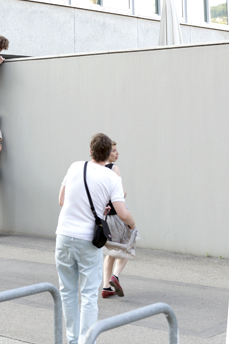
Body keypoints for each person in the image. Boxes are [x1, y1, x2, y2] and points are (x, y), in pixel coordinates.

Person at [55, 133, 136, 344]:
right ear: (108, 154)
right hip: (88, 241)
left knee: (68, 292)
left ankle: (72, 340)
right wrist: (132, 224)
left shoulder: (75, 167)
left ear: (90, 151)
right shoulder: (112, 177)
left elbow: (62, 200)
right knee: (89, 294)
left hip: (63, 236)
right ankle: (86, 341)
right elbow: (122, 212)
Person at [102, 141, 135, 299]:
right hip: (118, 215)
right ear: (107, 153)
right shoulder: (114, 168)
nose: (117, 153)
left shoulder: (98, 169)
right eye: (114, 151)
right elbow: (120, 194)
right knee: (126, 247)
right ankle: (115, 276)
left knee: (110, 252)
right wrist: (125, 192)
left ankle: (106, 287)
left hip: (105, 217)